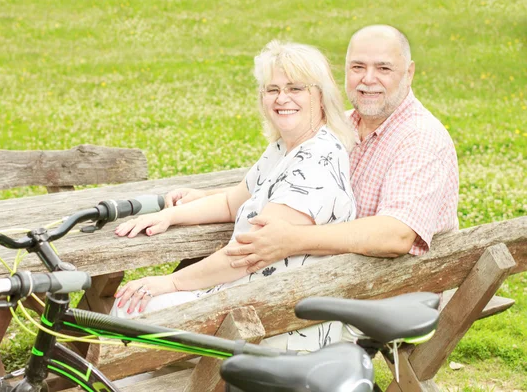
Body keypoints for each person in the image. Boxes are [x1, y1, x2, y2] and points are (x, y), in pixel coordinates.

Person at [110, 40, 356, 349]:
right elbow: (231, 202)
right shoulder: (286, 147)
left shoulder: (316, 160)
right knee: (129, 314)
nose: (282, 99)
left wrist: (169, 282)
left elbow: (247, 255)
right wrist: (170, 215)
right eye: (272, 89)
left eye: (295, 88)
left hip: (272, 325)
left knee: (125, 310)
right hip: (251, 305)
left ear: (321, 96)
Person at [166, 25, 459, 272]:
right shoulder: (340, 126)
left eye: (383, 68)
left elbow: (395, 235)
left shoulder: (420, 138)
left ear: (408, 73)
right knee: (207, 273)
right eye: (358, 67)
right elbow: (287, 184)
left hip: (392, 289)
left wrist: (293, 239)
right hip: (332, 274)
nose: (368, 79)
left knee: (207, 282)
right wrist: (210, 197)